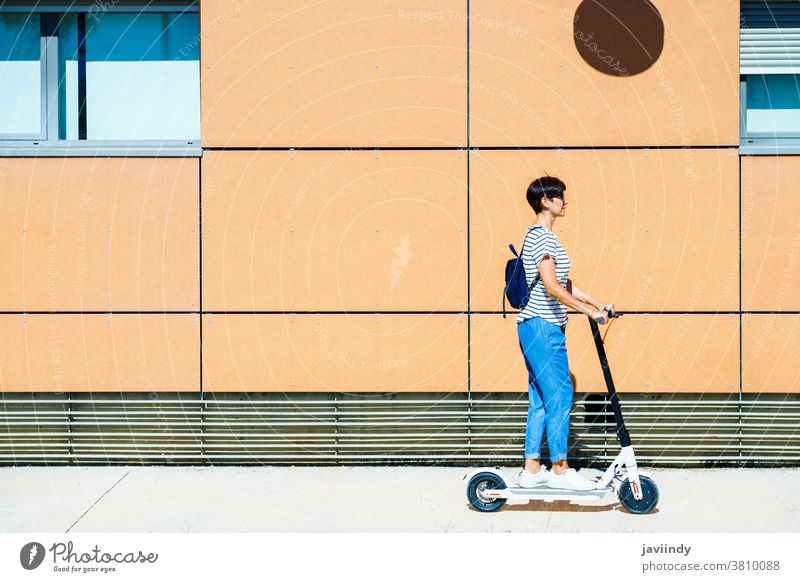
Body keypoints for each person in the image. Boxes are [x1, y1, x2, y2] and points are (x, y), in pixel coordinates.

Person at [516, 175, 611, 491]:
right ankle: (559, 468)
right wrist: (588, 312)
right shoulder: (542, 237)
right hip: (543, 327)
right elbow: (552, 287)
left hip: (534, 327)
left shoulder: (541, 236)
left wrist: (597, 304)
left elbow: (564, 282)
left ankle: (532, 468)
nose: (565, 201)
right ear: (547, 201)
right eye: (561, 197)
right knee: (560, 393)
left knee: (541, 397)